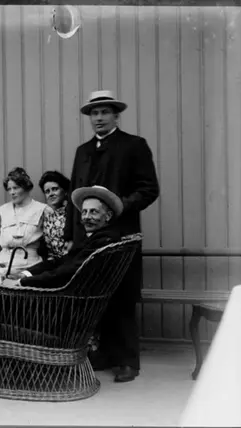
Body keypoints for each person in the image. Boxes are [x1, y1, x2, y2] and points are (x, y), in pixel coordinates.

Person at [0, 186, 124, 394]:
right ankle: (1, 364)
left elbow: (65, 273)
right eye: (85, 211)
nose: (87, 216)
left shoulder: (102, 242)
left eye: (94, 212)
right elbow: (59, 262)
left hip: (58, 310)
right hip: (65, 305)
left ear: (108, 216)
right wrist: (26, 274)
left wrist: (22, 284)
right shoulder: (99, 239)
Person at [65, 90, 160, 383]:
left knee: (122, 295)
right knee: (95, 294)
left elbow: (149, 189)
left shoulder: (134, 145)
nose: (99, 118)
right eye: (94, 113)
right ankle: (104, 353)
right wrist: (71, 234)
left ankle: (127, 360)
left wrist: (118, 206)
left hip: (121, 234)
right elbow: (74, 194)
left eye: (105, 112)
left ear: (116, 116)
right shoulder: (83, 151)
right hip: (87, 237)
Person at [0, 167, 52, 286]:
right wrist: (3, 246)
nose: (12, 192)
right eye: (9, 189)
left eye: (16, 188)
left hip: (29, 264)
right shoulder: (2, 211)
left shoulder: (43, 210)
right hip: (2, 263)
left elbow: (52, 242)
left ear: (26, 187)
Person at [39, 171, 73, 261]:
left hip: (71, 262)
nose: (51, 194)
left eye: (55, 189)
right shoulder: (46, 217)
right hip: (52, 262)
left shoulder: (73, 214)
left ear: (65, 191)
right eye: (47, 191)